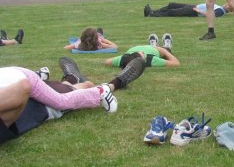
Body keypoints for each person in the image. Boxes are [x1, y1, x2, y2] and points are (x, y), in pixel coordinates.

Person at [0, 57, 145, 144]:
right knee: (72, 91)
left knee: (61, 100)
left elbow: (24, 87)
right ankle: (73, 79)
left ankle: (111, 86)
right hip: (25, 88)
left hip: (24, 85)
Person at [106, 35, 180, 68]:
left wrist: (164, 51)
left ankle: (166, 46)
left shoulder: (123, 59)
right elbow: (176, 63)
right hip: (149, 49)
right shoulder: (150, 59)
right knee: (165, 51)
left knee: (166, 51)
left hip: (153, 49)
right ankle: (162, 46)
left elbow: (107, 61)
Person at [144, 2, 232, 18]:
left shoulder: (220, 11)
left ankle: (152, 14)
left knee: (173, 12)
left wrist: (198, 11)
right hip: (194, 7)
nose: (226, 3)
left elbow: (211, 15)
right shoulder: (220, 8)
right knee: (172, 5)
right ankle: (154, 11)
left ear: (229, 9)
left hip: (194, 11)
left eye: (228, 5)